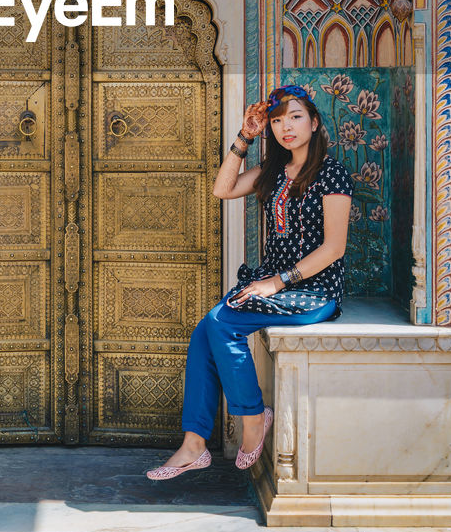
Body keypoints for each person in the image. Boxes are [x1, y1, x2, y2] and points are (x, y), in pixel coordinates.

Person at [147, 84, 352, 479]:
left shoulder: (332, 173)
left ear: (314, 121)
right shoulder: (273, 172)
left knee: (221, 322)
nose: (285, 127)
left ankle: (253, 417)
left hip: (312, 292)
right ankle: (195, 444)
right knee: (203, 331)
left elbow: (334, 248)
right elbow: (222, 189)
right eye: (277, 121)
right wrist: (245, 136)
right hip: (274, 285)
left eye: (294, 117)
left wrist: (279, 281)